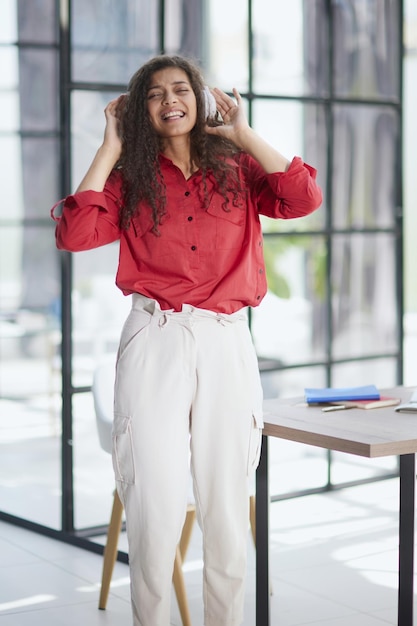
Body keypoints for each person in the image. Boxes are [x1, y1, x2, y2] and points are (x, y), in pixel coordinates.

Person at [51, 54, 322, 626]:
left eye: (180, 88)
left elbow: (302, 198)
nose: (169, 99)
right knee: (154, 505)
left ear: (200, 100)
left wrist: (244, 133)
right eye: (153, 94)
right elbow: (75, 234)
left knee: (225, 507)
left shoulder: (241, 170)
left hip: (225, 342)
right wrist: (110, 148)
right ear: (139, 110)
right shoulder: (130, 179)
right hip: (155, 337)